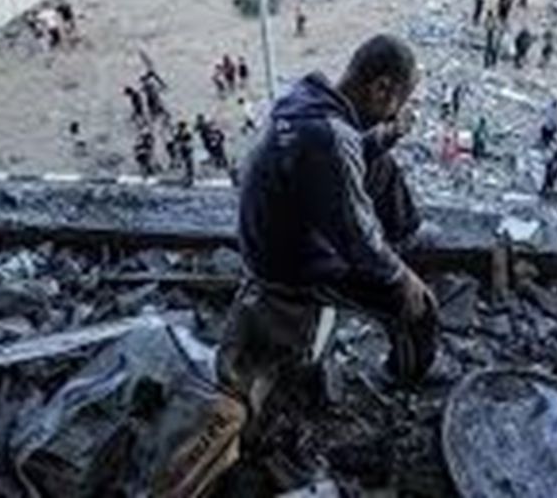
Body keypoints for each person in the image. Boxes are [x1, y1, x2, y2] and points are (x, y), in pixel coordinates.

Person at [213, 35, 437, 471]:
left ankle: (406, 238)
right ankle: (403, 376)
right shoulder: (330, 140)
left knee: (380, 163)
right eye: (398, 100)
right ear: (381, 88)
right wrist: (401, 278)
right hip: (289, 265)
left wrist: (388, 134)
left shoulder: (309, 98)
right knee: (419, 309)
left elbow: (343, 162)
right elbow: (358, 241)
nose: (396, 112)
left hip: (274, 235)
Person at [173, 121, 195, 185]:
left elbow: (191, 143)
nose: (181, 129)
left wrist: (186, 145)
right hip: (181, 151)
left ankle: (189, 178)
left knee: (188, 165)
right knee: (182, 165)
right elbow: (176, 142)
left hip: (187, 151)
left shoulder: (187, 134)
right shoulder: (178, 134)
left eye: (182, 127)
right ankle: (184, 177)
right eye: (180, 127)